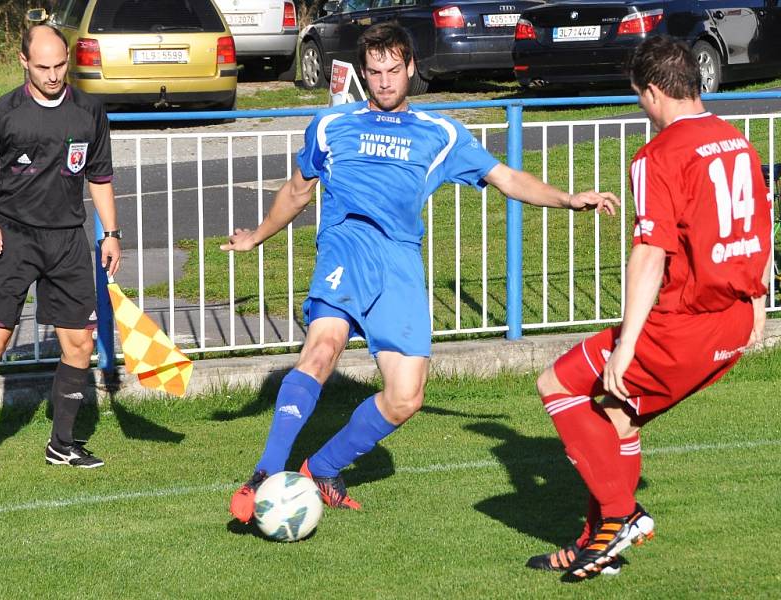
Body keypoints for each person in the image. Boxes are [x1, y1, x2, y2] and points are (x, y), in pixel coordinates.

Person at [221, 22, 618, 522]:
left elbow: (506, 178)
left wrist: (567, 198)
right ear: (363, 75)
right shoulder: (330, 127)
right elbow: (297, 191)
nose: (384, 81)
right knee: (322, 349)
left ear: (411, 68)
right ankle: (264, 472)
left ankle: (320, 468)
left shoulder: (441, 134)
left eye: (393, 70)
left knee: (406, 397)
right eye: (374, 72)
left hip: (400, 263)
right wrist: (256, 235)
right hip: (347, 248)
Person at [528, 35, 772, 581]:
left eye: (639, 95)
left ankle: (622, 514)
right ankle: (597, 546)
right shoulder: (737, 141)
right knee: (617, 413)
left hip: (681, 324)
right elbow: (759, 228)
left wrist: (628, 346)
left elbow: (650, 253)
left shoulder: (658, 154)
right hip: (731, 321)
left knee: (558, 385)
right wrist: (758, 305)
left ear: (655, 91)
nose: (641, 106)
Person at [0, 25, 121, 468]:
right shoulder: (1, 113)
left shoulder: (88, 111)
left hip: (67, 241)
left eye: (60, 64)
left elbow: (99, 177)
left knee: (79, 343)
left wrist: (111, 234)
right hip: (14, 238)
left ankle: (62, 443)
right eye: (43, 66)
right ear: (24, 62)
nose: (54, 74)